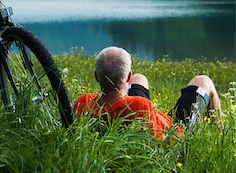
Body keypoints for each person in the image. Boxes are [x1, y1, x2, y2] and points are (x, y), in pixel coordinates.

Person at [74, 46, 222, 139]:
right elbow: (160, 141)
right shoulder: (140, 106)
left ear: (96, 77)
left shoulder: (83, 101)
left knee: (141, 78)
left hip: (125, 106)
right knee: (204, 81)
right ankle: (218, 132)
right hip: (174, 127)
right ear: (128, 77)